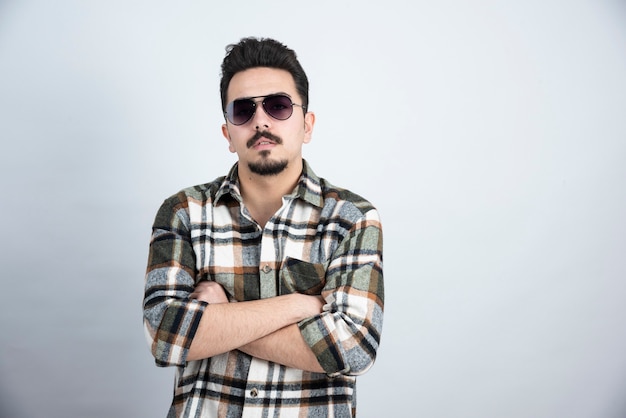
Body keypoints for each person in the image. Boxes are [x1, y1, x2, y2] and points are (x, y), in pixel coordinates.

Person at [143, 36, 384, 418]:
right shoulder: (183, 212)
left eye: (278, 106)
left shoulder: (351, 218)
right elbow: (164, 336)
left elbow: (352, 349)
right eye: (243, 110)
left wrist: (222, 319)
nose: (260, 120)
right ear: (228, 134)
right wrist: (300, 306)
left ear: (307, 124)